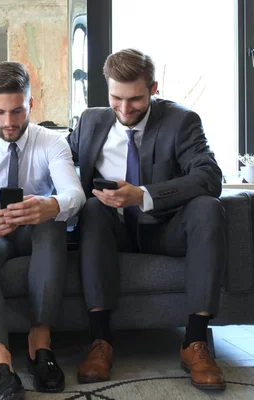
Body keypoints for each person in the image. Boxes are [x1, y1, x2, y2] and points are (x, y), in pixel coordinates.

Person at [69, 48, 226, 391]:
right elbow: (57, 162)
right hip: (112, 230)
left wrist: (143, 195)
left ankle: (194, 343)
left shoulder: (181, 122)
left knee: (208, 207)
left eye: (136, 99)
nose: (125, 110)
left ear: (154, 88)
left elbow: (210, 177)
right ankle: (100, 342)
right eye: (116, 98)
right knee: (94, 209)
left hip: (165, 229)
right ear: (106, 88)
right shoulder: (90, 121)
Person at [0, 61, 86, 400]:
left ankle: (40, 343)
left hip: (36, 233)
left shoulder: (53, 143)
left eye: (17, 111)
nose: (9, 123)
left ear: (31, 103)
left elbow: (75, 194)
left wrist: (51, 205)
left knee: (51, 224)